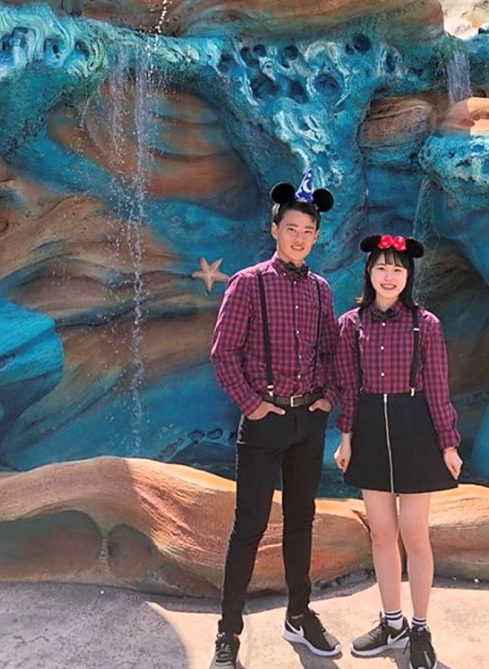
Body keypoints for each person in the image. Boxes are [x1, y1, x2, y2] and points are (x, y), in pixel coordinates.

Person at [208, 171, 341, 669]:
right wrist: (251, 405)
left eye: (307, 231)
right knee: (248, 526)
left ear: (316, 236)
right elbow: (223, 353)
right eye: (291, 229)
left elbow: (331, 352)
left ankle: (299, 615)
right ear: (275, 230)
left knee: (301, 521)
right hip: (264, 422)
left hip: (308, 421)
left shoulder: (321, 290)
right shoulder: (248, 283)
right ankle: (228, 630)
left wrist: (327, 398)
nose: (299, 238)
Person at [333, 234, 462, 669]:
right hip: (370, 428)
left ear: (408, 276)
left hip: (414, 429)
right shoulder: (351, 324)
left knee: (414, 534)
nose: (389, 276)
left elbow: (438, 387)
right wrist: (346, 437)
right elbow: (348, 387)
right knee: (382, 533)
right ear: (369, 273)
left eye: (398, 269)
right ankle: (392, 623)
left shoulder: (426, 324)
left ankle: (420, 629)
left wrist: (448, 443)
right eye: (381, 268)